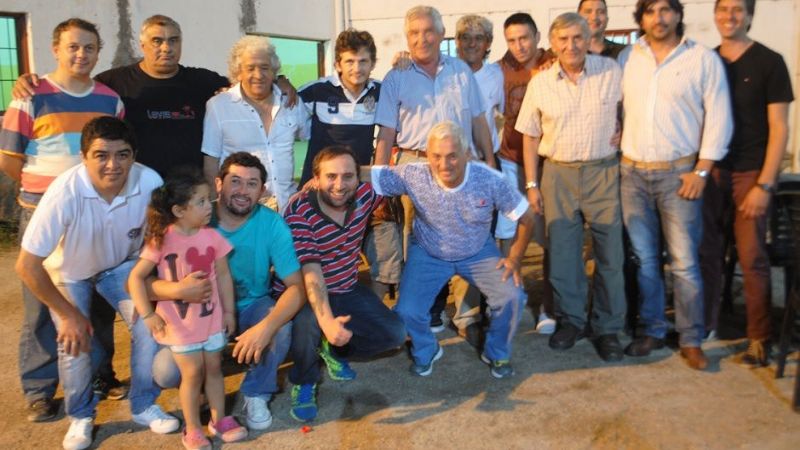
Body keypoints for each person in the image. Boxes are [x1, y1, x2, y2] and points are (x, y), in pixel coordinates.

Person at [14, 116, 179, 450]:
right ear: (83, 156)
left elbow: (163, 242)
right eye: (101, 155)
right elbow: (27, 266)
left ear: (134, 156)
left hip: (121, 266)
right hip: (70, 272)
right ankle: (81, 416)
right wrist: (70, 315)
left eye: (122, 155)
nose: (112, 164)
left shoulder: (149, 182)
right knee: (73, 339)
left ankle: (144, 403)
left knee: (150, 326)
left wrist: (160, 293)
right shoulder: (65, 190)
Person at [0, 18, 125, 422]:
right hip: (42, 213)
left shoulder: (110, 100)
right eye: (73, 47)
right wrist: (53, 198)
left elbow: (116, 153)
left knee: (98, 301)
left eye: (89, 48)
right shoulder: (30, 96)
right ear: (55, 49)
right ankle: (39, 389)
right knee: (41, 303)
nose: (81, 55)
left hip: (95, 214)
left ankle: (100, 376)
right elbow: (10, 159)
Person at [11, 15, 298, 177]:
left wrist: (282, 80)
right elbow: (78, 85)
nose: (166, 48)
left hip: (190, 191)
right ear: (143, 45)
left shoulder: (202, 81)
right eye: (157, 41)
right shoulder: (113, 83)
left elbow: (250, 80)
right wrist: (29, 80)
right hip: (137, 190)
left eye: (173, 40)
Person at [147, 152, 307, 432]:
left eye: (252, 184)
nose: (243, 191)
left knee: (280, 327)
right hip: (196, 314)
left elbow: (297, 286)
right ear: (218, 183)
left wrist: (266, 327)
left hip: (247, 308)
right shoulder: (192, 215)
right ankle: (203, 380)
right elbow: (142, 283)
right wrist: (178, 289)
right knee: (165, 371)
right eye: (235, 181)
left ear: (262, 190)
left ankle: (256, 392)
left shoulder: (272, 224)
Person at [371, 121, 536, 378]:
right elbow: (369, 175)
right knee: (406, 311)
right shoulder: (414, 174)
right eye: (436, 156)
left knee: (512, 296)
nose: (444, 164)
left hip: (478, 251)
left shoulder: (489, 179)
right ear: (428, 154)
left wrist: (514, 258)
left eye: (452, 156)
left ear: (466, 154)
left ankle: (497, 353)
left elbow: (527, 218)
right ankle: (427, 350)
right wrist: (323, 177)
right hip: (429, 251)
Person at [619, 0, 733, 370]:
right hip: (632, 175)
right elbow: (618, 106)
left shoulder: (700, 59)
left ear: (678, 15)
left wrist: (701, 171)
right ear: (642, 18)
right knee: (646, 261)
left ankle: (691, 338)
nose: (659, 18)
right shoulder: (628, 58)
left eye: (666, 9)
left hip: (678, 175)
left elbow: (719, 118)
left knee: (684, 263)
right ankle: (652, 329)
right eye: (651, 11)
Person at [516, 13, 626, 362]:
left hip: (604, 171)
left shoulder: (611, 72)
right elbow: (530, 137)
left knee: (611, 255)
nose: (571, 45)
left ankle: (608, 328)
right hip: (558, 174)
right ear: (554, 43)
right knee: (563, 256)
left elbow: (634, 111)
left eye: (577, 37)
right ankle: (572, 321)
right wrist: (532, 185)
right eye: (562, 39)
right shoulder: (541, 83)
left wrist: (627, 129)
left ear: (588, 35)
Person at [281, 145, 406, 422]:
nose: (339, 185)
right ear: (315, 178)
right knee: (307, 324)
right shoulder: (299, 209)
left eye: (348, 176)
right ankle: (305, 381)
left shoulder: (365, 194)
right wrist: (326, 321)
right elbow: (311, 272)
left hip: (345, 286)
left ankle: (333, 349)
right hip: (304, 291)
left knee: (395, 335)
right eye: (331, 176)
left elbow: (406, 177)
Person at [700, 0, 794, 365]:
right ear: (715, 15)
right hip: (712, 172)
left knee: (752, 257)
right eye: (723, 10)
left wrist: (765, 184)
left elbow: (780, 128)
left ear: (750, 16)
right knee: (707, 254)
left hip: (750, 174)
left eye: (738, 10)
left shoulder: (770, 62)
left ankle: (759, 337)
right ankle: (705, 325)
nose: (729, 16)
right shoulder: (708, 61)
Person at [129, 171, 247, 449]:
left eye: (209, 200)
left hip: (212, 320)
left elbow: (224, 276)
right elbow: (135, 279)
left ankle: (219, 420)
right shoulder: (161, 240)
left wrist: (229, 312)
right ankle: (192, 427)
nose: (210, 206)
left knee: (214, 369)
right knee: (192, 374)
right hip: (180, 326)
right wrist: (148, 314)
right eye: (202, 201)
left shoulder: (212, 237)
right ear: (179, 210)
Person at [296, 29, 402, 300]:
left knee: (385, 243)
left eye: (363, 61)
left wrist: (405, 63)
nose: (357, 68)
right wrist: (282, 84)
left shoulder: (381, 92)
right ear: (338, 64)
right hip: (319, 188)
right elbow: (280, 114)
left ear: (373, 63)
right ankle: (321, 317)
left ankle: (376, 312)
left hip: (362, 186)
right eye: (350, 61)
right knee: (322, 261)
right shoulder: (314, 91)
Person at [496, 12, 555, 335]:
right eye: (512, 40)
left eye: (525, 38)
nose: (519, 46)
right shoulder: (501, 69)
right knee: (507, 234)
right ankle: (507, 297)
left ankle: (548, 305)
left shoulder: (554, 62)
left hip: (546, 162)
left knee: (548, 238)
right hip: (509, 160)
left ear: (537, 36)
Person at [202, 35, 307, 212]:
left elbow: (311, 138)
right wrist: (216, 210)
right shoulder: (219, 105)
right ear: (238, 71)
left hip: (288, 210)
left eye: (264, 67)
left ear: (274, 71)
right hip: (240, 212)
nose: (258, 75)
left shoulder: (291, 102)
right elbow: (211, 161)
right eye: (250, 68)